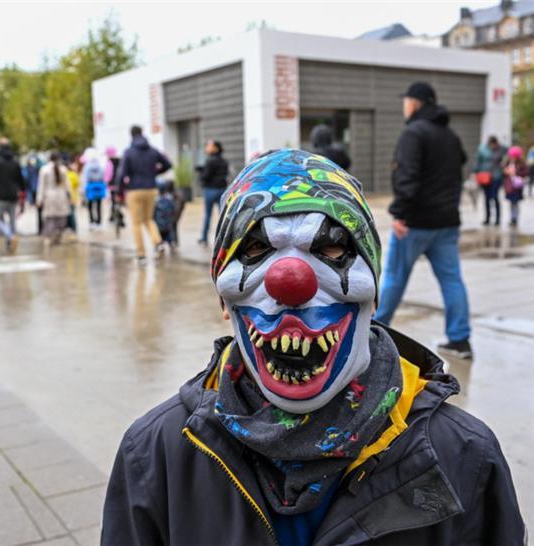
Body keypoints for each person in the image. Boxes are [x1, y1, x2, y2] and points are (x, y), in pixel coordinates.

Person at [101, 148, 525, 546]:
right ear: (224, 299)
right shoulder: (156, 457)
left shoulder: (464, 458)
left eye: (332, 246)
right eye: (255, 248)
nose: (290, 281)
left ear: (373, 292)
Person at [373, 82, 472, 360]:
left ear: (415, 103)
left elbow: (408, 177)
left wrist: (400, 213)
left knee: (393, 277)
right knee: (452, 280)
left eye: (406, 101)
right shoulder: (450, 136)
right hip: (447, 221)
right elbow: (457, 172)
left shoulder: (413, 134)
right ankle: (460, 340)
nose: (404, 105)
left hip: (414, 222)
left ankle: (372, 333)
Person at [118, 125, 172, 266]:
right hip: (151, 189)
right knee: (148, 219)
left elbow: (121, 174)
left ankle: (141, 255)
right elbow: (167, 164)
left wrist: (119, 192)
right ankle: (158, 242)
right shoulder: (152, 150)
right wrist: (154, 173)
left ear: (131, 135)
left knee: (136, 223)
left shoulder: (128, 152)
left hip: (134, 190)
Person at [0, 140, 25, 253]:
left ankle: (10, 237)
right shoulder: (15, 162)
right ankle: (11, 242)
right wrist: (22, 191)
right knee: (12, 220)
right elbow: (21, 180)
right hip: (13, 195)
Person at [197, 139, 230, 245]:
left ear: (216, 148)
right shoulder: (224, 161)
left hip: (210, 190)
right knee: (223, 215)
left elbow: (205, 176)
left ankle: (204, 237)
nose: (207, 148)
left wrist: (200, 172)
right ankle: (224, 238)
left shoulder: (210, 161)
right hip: (222, 190)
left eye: (209, 146)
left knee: (207, 214)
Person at [36, 152, 71, 245]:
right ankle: (58, 235)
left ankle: (48, 237)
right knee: (61, 217)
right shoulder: (63, 169)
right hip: (61, 195)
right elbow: (68, 185)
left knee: (50, 218)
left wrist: (39, 199)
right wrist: (70, 196)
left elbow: (41, 186)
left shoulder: (44, 169)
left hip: (49, 195)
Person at [473, 135, 506, 226]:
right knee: (487, 198)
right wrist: (475, 172)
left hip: (496, 176)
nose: (493, 146)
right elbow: (478, 162)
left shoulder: (501, 149)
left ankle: (497, 219)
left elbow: (508, 155)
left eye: (495, 144)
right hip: (485, 177)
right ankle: (487, 218)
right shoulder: (482, 149)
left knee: (495, 197)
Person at [82, 147, 107, 230]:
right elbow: (103, 177)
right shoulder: (100, 166)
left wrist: (84, 189)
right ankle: (99, 222)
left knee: (90, 206)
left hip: (90, 187)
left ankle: (92, 221)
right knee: (99, 205)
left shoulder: (87, 166)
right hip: (99, 187)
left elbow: (85, 178)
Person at [504, 145, 528, 227]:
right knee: (511, 203)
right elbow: (504, 172)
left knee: (515, 203)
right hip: (509, 186)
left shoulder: (522, 163)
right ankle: (512, 218)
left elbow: (525, 173)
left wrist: (516, 173)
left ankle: (515, 218)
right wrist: (506, 172)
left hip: (517, 186)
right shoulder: (508, 162)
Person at [153, 180, 178, 247]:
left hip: (159, 223)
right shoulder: (170, 198)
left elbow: (153, 212)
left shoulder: (156, 200)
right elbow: (173, 209)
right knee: (169, 234)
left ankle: (159, 245)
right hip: (168, 222)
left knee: (159, 235)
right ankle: (171, 243)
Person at [104, 146, 123, 226]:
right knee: (119, 201)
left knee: (113, 201)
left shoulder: (109, 162)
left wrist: (106, 182)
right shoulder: (121, 161)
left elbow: (108, 174)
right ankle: (120, 218)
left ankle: (112, 217)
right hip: (120, 185)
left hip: (112, 185)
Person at [23, 157, 42, 234]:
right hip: (37, 190)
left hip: (34, 190)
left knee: (39, 211)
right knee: (39, 211)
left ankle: (40, 228)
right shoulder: (38, 168)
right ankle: (41, 228)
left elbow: (25, 178)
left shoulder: (29, 169)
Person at [66, 158, 81, 233]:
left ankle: (72, 227)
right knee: (72, 212)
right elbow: (78, 184)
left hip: (69, 196)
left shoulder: (68, 174)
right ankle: (73, 227)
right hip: (73, 196)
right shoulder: (74, 175)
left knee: (70, 212)